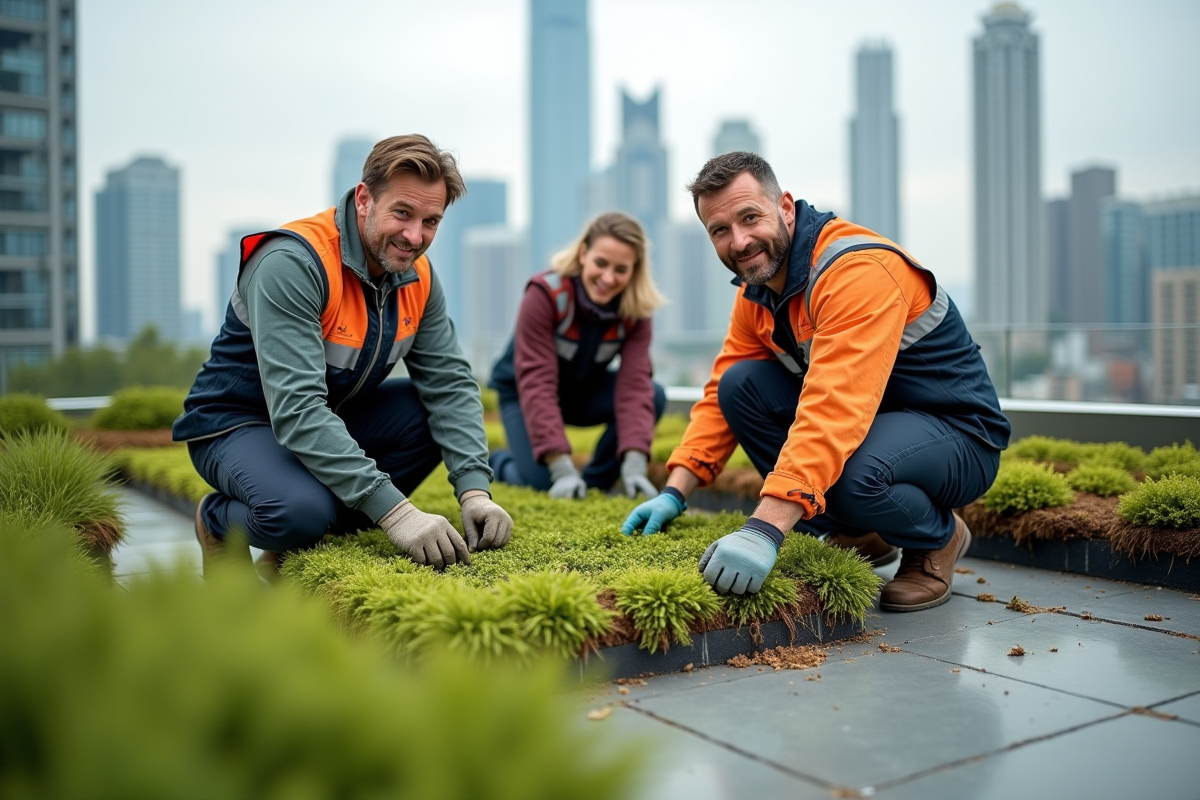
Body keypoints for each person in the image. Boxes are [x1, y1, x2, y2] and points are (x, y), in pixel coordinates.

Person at [621, 152, 1010, 612]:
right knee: (739, 385)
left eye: (750, 218)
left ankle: (937, 538)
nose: (739, 241)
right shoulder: (757, 290)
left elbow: (834, 405)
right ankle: (857, 532)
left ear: (785, 207)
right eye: (720, 230)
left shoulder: (856, 270)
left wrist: (764, 529)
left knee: (849, 476)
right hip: (879, 424)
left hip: (958, 434)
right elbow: (723, 388)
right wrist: (675, 491)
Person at [173, 134, 513, 577]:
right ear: (364, 199)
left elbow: (450, 384)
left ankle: (300, 541)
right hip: (236, 423)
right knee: (298, 512)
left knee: (425, 411)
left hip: (328, 416)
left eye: (430, 221)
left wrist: (475, 493)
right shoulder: (293, 263)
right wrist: (398, 514)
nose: (415, 236)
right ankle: (218, 520)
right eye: (402, 213)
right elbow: (297, 409)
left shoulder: (419, 277)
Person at [488, 212, 667, 500]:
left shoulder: (636, 310)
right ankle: (497, 463)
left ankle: (593, 484)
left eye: (621, 269)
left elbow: (635, 386)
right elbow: (537, 382)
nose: (608, 278)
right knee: (542, 483)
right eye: (601, 263)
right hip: (523, 393)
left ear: (634, 270)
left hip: (582, 392)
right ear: (583, 254)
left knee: (653, 393)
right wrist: (561, 468)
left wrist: (635, 465)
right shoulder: (545, 294)